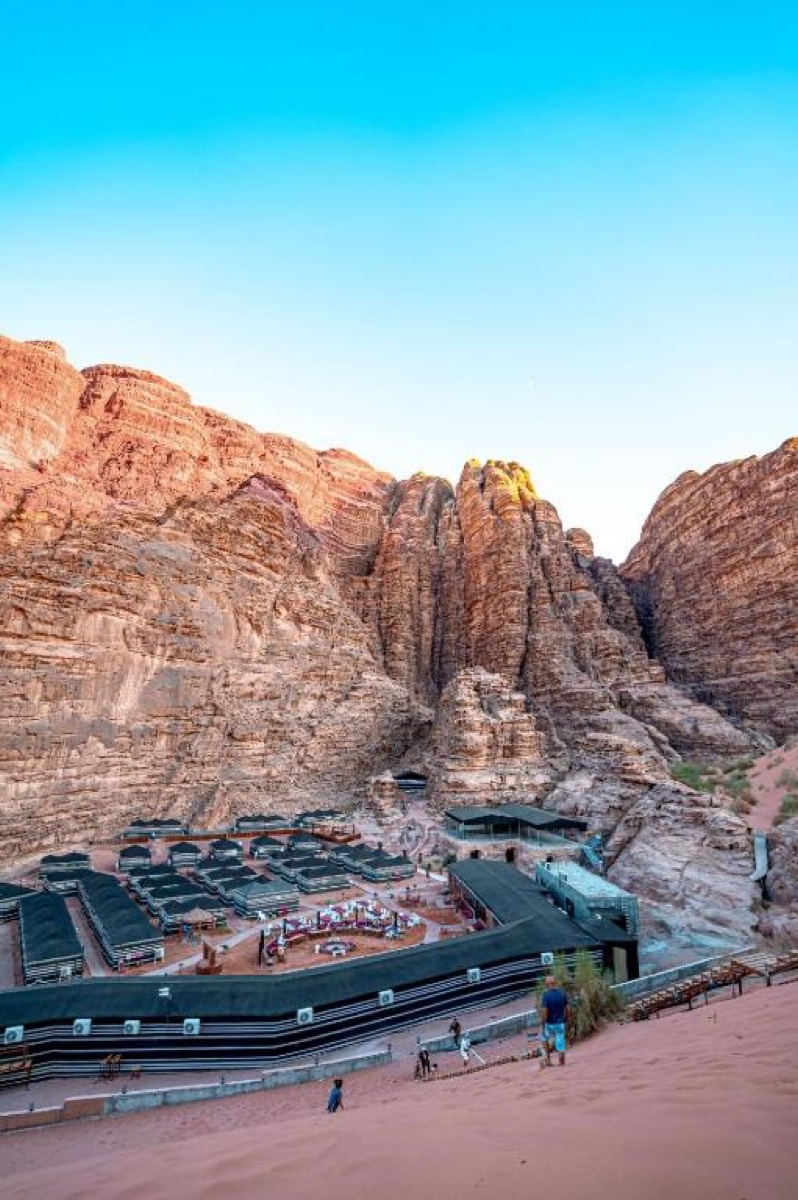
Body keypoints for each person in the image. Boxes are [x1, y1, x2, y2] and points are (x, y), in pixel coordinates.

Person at [539, 974, 570, 1067]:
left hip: (549, 1024)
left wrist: (543, 1024)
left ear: (547, 984)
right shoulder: (562, 994)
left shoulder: (546, 995)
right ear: (555, 983)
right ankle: (562, 1063)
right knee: (560, 1041)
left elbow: (545, 1011)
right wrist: (566, 1020)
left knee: (544, 1038)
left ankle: (548, 1061)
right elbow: (568, 1009)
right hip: (560, 1023)